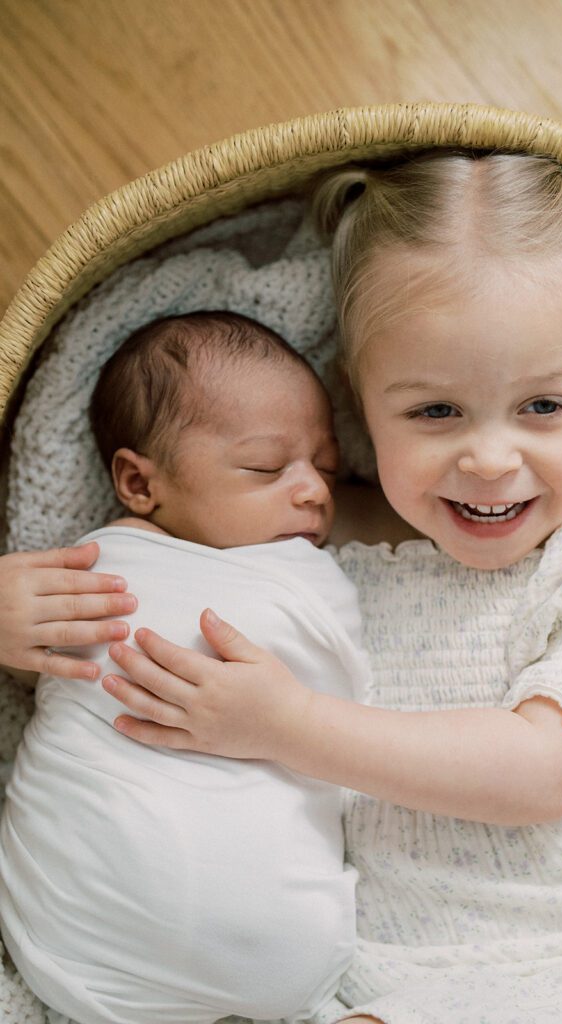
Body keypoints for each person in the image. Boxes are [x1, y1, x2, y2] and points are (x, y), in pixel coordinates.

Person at [0, 153, 562, 1024]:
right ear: (357, 403)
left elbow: (542, 771)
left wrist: (286, 724)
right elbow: (138, 600)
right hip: (351, 978)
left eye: (544, 407)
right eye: (432, 412)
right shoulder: (303, 535)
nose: (491, 460)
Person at [0, 311, 367, 1024]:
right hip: (76, 923)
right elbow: (51, 673)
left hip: (119, 959)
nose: (315, 491)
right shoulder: (88, 571)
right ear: (139, 484)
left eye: (326, 466)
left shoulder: (296, 565)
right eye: (266, 466)